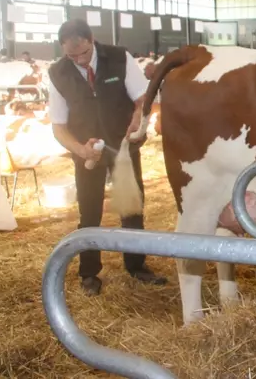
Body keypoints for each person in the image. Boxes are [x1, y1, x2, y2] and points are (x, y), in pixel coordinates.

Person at [47, 19, 167, 295]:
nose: (79, 60)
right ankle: (89, 273)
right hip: (87, 152)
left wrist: (138, 120)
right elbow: (58, 126)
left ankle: (136, 266)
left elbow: (143, 99)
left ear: (92, 40)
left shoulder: (118, 57)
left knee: (132, 207)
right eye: (71, 56)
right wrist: (80, 150)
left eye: (84, 53)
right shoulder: (57, 73)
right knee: (89, 211)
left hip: (123, 147)